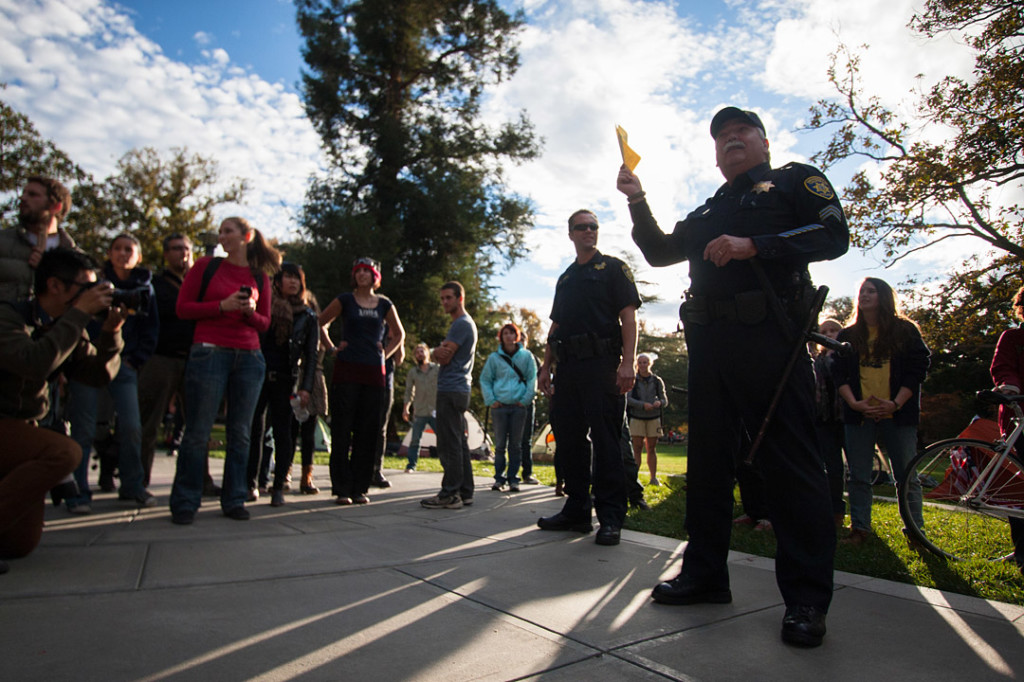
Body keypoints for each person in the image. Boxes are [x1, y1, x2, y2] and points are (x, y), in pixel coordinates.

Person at [618, 106, 848, 647]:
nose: (731, 140)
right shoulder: (710, 207)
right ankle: (704, 575)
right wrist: (637, 199)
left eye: (742, 131)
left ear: (764, 142)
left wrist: (757, 246)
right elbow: (657, 252)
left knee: (789, 464)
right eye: (722, 136)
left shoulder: (793, 181)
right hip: (710, 344)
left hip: (770, 339)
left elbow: (834, 235)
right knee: (708, 464)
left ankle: (807, 600)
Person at [0, 248, 124, 571]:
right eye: (85, 288)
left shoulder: (64, 326)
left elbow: (98, 374)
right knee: (65, 453)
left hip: (23, 430)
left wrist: (111, 332)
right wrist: (78, 314)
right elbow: (34, 363)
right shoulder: (8, 318)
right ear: (55, 285)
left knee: (20, 543)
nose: (92, 296)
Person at [536, 209, 640, 547]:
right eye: (582, 227)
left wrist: (627, 363)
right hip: (568, 369)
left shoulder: (612, 269)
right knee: (568, 439)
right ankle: (576, 510)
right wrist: (545, 365)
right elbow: (556, 325)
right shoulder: (566, 278)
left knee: (607, 441)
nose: (588, 231)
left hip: (602, 365)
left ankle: (610, 516)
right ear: (570, 234)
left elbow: (629, 318)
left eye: (593, 226)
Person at [168, 217, 279, 525]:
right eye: (220, 231)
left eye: (228, 230)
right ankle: (186, 501)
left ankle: (234, 498)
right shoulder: (206, 266)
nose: (221, 235)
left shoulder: (261, 277)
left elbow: (266, 324)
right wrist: (221, 306)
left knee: (241, 433)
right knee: (198, 431)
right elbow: (183, 308)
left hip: (249, 357)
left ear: (246, 236)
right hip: (209, 353)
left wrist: (249, 312)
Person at [831, 278, 929, 546]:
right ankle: (860, 529)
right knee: (859, 476)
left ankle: (916, 532)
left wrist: (895, 403)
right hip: (859, 415)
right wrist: (854, 403)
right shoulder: (848, 336)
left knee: (906, 476)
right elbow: (837, 373)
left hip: (898, 414)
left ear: (884, 297)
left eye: (871, 291)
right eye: (861, 291)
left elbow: (918, 368)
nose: (864, 295)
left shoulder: (905, 331)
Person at [65, 233, 159, 513]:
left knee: (131, 427)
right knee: (83, 429)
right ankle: (78, 492)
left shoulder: (144, 289)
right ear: (109, 253)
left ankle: (132, 485)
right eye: (117, 248)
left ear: (138, 256)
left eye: (129, 249)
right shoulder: (92, 283)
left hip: (125, 365)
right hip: (87, 364)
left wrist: (136, 360)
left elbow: (151, 329)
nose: (122, 254)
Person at [320, 257, 405, 505]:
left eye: (367, 272)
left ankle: (359, 488)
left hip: (374, 374)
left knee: (367, 430)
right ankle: (342, 488)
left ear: (375, 277)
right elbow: (321, 322)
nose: (362, 275)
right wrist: (333, 348)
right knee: (342, 429)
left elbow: (399, 334)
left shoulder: (384, 304)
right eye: (358, 271)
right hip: (346, 370)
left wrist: (384, 354)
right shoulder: (345, 300)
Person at [247, 262, 319, 507]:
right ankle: (251, 483)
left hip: (286, 378)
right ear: (277, 281)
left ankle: (278, 487)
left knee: (283, 432)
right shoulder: (263, 306)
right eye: (287, 277)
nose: (292, 282)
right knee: (254, 430)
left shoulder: (308, 316)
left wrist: (306, 387)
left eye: (297, 278)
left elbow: (311, 356)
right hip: (257, 373)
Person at [420, 281, 478, 510]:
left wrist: (434, 351)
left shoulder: (461, 324)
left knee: (449, 444)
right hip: (458, 389)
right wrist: (439, 350)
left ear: (459, 298)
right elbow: (443, 353)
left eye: (448, 298)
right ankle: (465, 491)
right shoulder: (462, 324)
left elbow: (442, 357)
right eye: (442, 298)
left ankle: (450, 494)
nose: (444, 302)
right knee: (459, 443)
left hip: (451, 389)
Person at [990, 284, 1024, 573]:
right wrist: (1009, 384)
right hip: (1019, 415)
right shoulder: (1013, 337)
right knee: (1019, 485)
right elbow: (1002, 366)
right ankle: (1022, 550)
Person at [480, 322, 537, 492]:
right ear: (501, 336)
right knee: (499, 446)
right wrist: (491, 400)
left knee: (516, 445)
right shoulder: (494, 358)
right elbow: (485, 379)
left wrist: (525, 399)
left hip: (518, 406)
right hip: (500, 407)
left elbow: (532, 378)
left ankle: (514, 479)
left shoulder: (527, 356)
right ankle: (499, 479)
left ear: (517, 336)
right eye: (505, 333)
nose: (509, 336)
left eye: (512, 333)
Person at [0, 176, 76, 303]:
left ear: (55, 207)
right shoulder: (3, 241)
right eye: (24, 193)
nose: (23, 198)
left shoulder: (74, 258)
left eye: (32, 195)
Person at [812, 318, 847, 526]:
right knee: (832, 468)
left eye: (834, 330)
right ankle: (835, 511)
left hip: (848, 417)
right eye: (825, 331)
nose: (829, 334)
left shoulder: (848, 357)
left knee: (856, 469)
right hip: (824, 420)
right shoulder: (815, 361)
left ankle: (860, 518)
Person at [627, 353, 667, 486]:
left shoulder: (657, 380)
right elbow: (628, 399)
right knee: (637, 448)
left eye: (645, 362)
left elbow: (664, 399)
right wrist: (642, 405)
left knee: (652, 448)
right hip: (637, 417)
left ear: (649, 364)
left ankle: (653, 477)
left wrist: (659, 403)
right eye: (640, 362)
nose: (643, 365)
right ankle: (634, 479)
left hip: (653, 417)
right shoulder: (633, 379)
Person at [402, 342, 438, 472]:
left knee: (444, 438)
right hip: (420, 410)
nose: (420, 354)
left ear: (428, 353)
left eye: (422, 351)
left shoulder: (437, 369)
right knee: (415, 439)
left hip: (436, 410)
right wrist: (406, 408)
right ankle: (411, 465)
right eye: (417, 352)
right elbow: (408, 391)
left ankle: (448, 465)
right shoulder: (413, 372)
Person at [517, 332, 541, 485]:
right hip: (510, 403)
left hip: (526, 405)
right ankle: (510, 473)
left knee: (526, 440)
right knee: (511, 440)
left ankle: (527, 473)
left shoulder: (533, 359)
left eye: (523, 339)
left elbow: (537, 381)